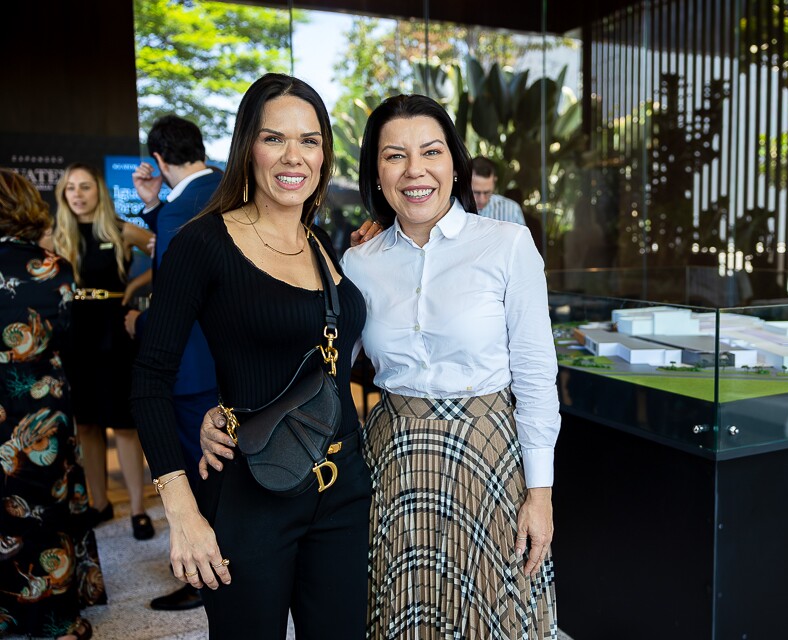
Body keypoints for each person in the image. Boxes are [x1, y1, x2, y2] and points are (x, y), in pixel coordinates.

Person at [200, 94, 560, 638]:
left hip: (487, 458)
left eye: (431, 152)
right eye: (395, 156)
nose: (415, 170)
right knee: (395, 612)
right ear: (377, 171)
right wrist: (231, 413)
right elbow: (313, 364)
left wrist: (541, 494)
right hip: (391, 457)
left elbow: (536, 377)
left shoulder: (507, 246)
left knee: (489, 611)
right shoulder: (356, 263)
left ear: (454, 164)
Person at [129, 73, 371, 639]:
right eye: (274, 138)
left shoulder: (320, 242)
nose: (295, 156)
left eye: (309, 141)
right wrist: (183, 512)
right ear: (247, 147)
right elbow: (149, 380)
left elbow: (322, 357)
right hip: (250, 491)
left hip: (343, 487)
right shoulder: (202, 242)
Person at [0, 168, 105, 640]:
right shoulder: (54, 267)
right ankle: (58, 621)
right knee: (48, 510)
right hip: (44, 407)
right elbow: (66, 337)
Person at [126, 115, 222, 612]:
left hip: (193, 370)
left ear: (160, 159)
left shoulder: (174, 211)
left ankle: (205, 578)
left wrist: (138, 325)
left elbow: (169, 307)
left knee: (198, 475)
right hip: (234, 365)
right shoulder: (231, 187)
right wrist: (151, 205)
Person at [51, 163, 155, 541]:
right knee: (88, 424)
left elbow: (167, 253)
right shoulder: (55, 236)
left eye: (85, 187)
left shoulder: (119, 228)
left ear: (99, 191)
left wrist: (136, 286)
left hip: (113, 330)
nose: (77, 195)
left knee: (124, 425)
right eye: (70, 189)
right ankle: (99, 503)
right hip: (73, 334)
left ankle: (138, 508)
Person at [471, 155, 526, 225]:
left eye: (487, 192)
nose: (482, 199)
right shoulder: (455, 207)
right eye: (476, 192)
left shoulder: (512, 211)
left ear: (494, 182)